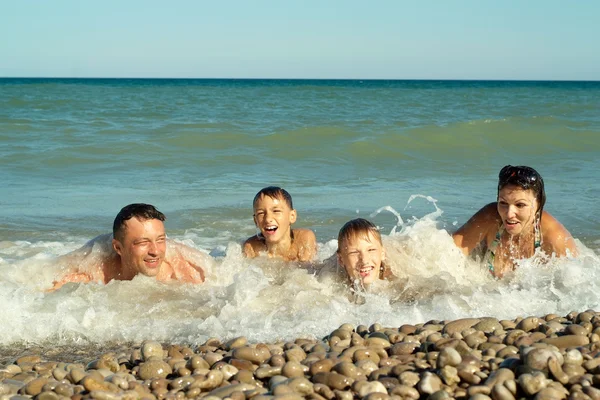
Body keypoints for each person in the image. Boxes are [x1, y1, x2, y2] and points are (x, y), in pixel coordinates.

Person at [452, 165, 577, 278]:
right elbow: (448, 253)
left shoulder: (555, 237)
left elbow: (576, 287)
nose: (509, 214)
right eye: (503, 203)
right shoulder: (489, 217)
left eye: (520, 205)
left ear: (538, 204)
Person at [52, 203, 210, 290]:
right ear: (118, 248)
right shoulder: (94, 275)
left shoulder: (185, 275)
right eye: (143, 242)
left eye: (160, 240)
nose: (155, 251)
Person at [243, 186, 317, 262]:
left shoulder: (303, 238)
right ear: (256, 221)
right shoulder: (252, 247)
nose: (268, 219)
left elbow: (308, 270)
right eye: (261, 213)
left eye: (276, 211)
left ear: (292, 216)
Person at [336, 218, 394, 289]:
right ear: (341, 260)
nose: (364, 260)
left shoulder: (397, 285)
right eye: (354, 252)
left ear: (382, 253)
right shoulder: (329, 282)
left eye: (371, 250)